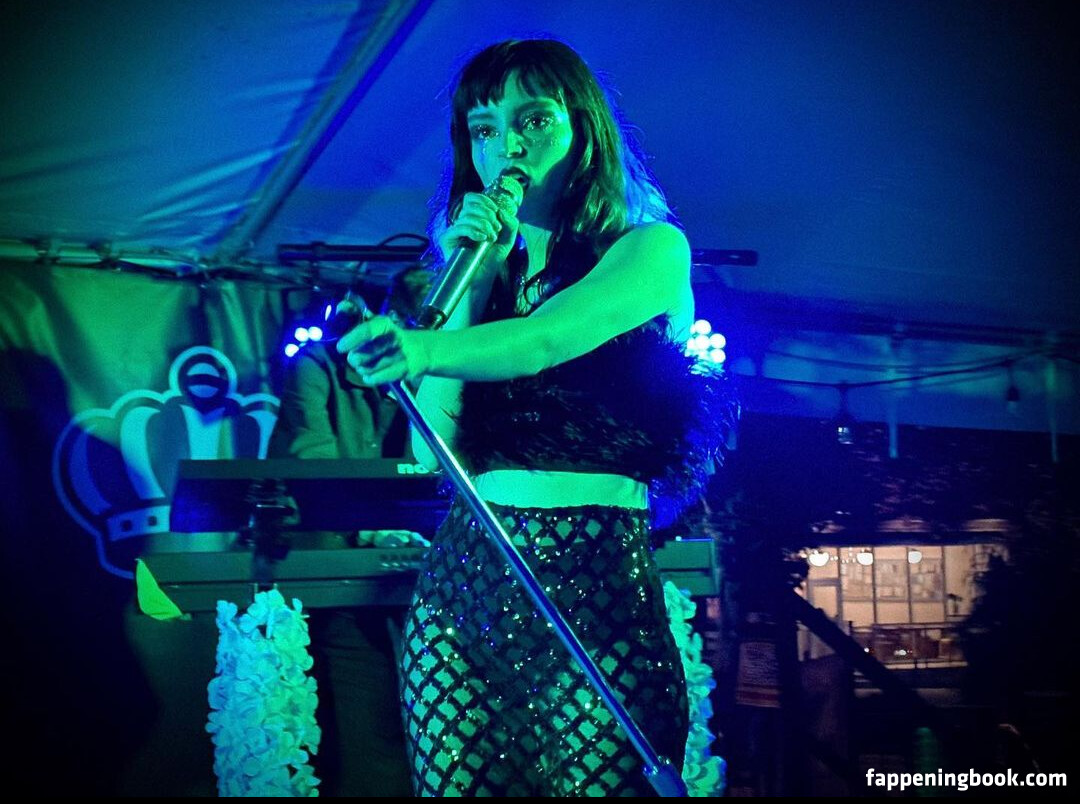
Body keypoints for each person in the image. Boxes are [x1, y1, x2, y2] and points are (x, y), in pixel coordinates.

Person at [336, 39, 732, 796]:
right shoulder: (478, 279)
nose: (508, 146)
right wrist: (474, 277)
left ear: (584, 128)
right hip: (467, 584)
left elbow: (545, 340)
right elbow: (432, 449)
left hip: (596, 574)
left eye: (534, 119)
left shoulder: (650, 249)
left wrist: (420, 348)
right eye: (484, 129)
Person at [266, 264, 430, 798]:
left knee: (418, 724)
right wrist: (373, 531)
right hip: (333, 571)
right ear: (391, 319)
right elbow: (313, 460)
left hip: (407, 571)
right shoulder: (316, 365)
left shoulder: (435, 376)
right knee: (355, 723)